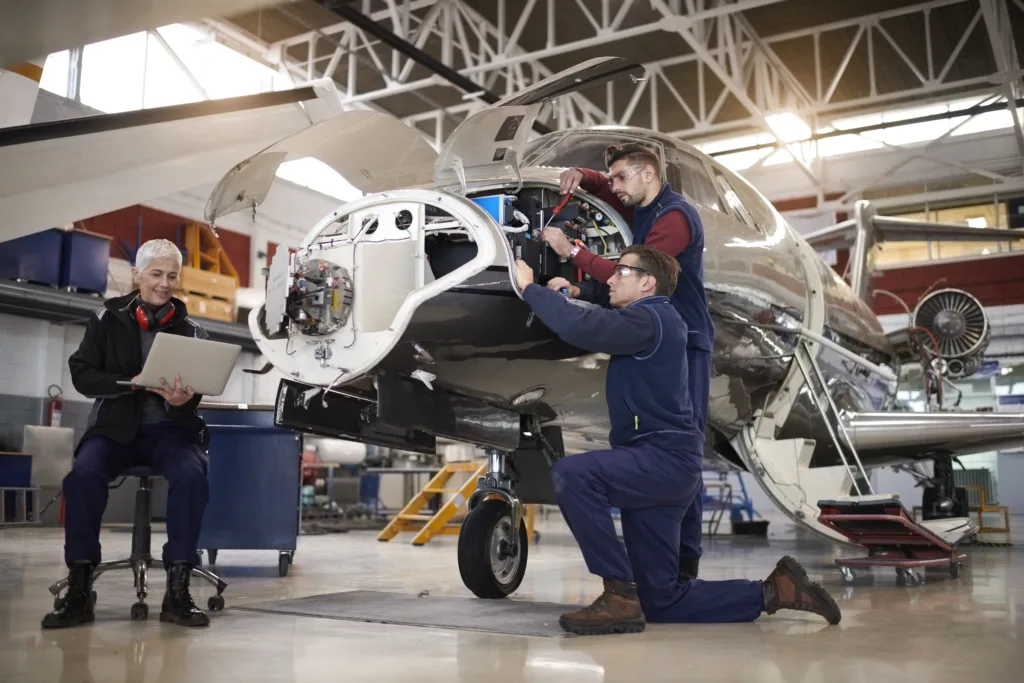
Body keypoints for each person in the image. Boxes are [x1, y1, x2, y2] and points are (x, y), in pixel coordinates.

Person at [514, 245, 840, 636]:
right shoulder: (655, 319)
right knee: (662, 601)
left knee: (574, 474)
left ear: (648, 283)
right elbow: (594, 320)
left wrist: (531, 289)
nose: (611, 278)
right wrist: (567, 297)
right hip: (668, 467)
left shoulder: (649, 317)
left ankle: (618, 593)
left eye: (622, 271)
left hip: (659, 459)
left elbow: (583, 329)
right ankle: (774, 591)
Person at [541, 142, 711, 582]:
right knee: (644, 449)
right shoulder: (643, 203)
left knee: (683, 453)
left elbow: (632, 274)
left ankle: (684, 566)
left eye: (620, 179)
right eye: (611, 179)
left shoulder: (673, 219)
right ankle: (656, 566)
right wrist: (584, 174)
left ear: (649, 174)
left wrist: (572, 253)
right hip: (658, 336)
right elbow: (623, 280)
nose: (613, 189)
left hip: (683, 344)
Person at [42, 239, 212, 629]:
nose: (165, 283)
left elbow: (195, 394)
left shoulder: (192, 330)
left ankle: (178, 587)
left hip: (171, 431)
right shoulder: (106, 318)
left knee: (191, 475)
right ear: (136, 275)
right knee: (81, 477)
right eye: (156, 274)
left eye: (172, 276)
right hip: (115, 429)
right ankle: (80, 587)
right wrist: (129, 383)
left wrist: (181, 400)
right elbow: (83, 374)